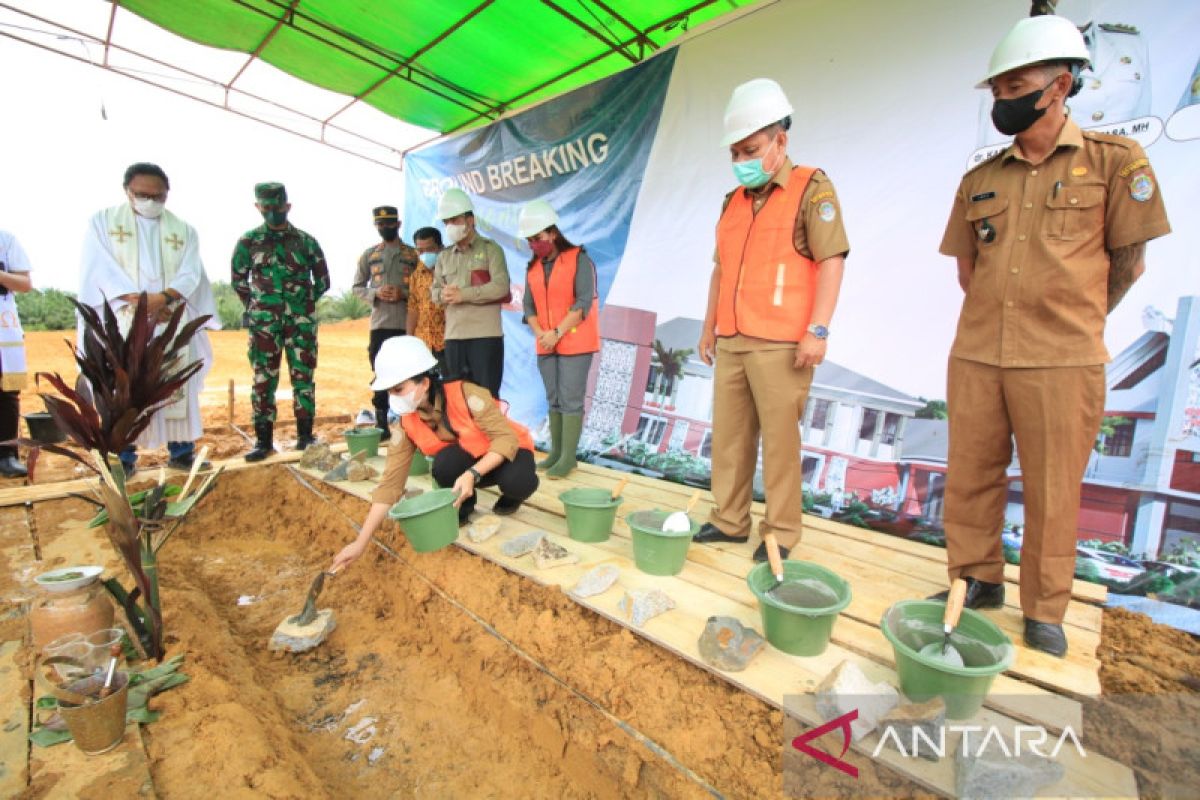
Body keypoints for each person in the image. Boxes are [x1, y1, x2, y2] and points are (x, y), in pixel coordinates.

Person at [937, 15, 1170, 657]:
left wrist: (1072, 314)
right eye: (996, 89)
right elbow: (969, 270)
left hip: (1063, 358)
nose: (1001, 100)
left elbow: (1129, 263)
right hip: (980, 352)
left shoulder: (1115, 163)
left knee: (1051, 488)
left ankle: (1044, 609)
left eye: (1014, 84)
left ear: (1059, 85)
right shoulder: (979, 179)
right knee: (971, 477)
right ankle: (976, 580)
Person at [693, 78, 848, 564]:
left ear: (781, 139)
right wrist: (707, 328)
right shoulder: (731, 202)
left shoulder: (812, 187)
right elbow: (720, 269)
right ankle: (729, 520)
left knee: (780, 444)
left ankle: (780, 532)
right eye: (735, 151)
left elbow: (832, 259)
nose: (742, 159)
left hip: (783, 344)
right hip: (733, 338)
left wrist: (818, 330)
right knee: (731, 438)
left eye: (751, 148)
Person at [329, 336, 538, 571]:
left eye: (399, 389)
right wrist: (360, 542)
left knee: (518, 481)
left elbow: (505, 439)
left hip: (508, 452)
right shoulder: (406, 423)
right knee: (444, 464)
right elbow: (390, 484)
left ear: (425, 383)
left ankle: (512, 497)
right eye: (390, 392)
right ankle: (464, 507)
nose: (394, 398)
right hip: (473, 460)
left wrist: (472, 474)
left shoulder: (467, 394)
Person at [78, 162, 218, 475]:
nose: (151, 202)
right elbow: (99, 268)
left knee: (175, 383)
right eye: (143, 195)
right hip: (124, 318)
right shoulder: (103, 223)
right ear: (127, 191)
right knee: (124, 388)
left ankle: (181, 452)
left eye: (158, 197)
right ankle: (123, 458)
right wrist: (143, 303)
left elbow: (191, 271)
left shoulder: (183, 230)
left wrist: (166, 298)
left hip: (171, 319)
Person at [232, 182, 330, 461]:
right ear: (258, 208)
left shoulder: (305, 241)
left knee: (304, 378)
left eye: (278, 207)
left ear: (288, 206)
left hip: (300, 324)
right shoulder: (248, 242)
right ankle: (263, 441)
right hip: (264, 325)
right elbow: (238, 279)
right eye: (267, 208)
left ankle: (305, 437)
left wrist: (303, 303)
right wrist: (258, 306)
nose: (273, 212)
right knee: (263, 379)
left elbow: (323, 280)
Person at [518, 200, 598, 480]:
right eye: (529, 240)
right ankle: (556, 452)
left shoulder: (579, 259)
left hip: (574, 342)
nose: (533, 244)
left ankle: (568, 457)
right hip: (545, 343)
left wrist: (557, 333)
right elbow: (528, 307)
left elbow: (583, 301)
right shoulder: (533, 268)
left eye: (537, 238)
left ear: (552, 233)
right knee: (553, 399)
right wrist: (542, 334)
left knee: (571, 400)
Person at [431, 188, 510, 398]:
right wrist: (444, 295)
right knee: (458, 400)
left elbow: (501, 287)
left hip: (485, 336)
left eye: (454, 220)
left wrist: (463, 295)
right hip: (454, 337)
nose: (450, 226)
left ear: (470, 219)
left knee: (487, 401)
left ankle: (488, 434)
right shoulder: (444, 256)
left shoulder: (491, 249)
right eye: (446, 222)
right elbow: (434, 292)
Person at [352, 205, 419, 441]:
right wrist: (375, 293)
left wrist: (403, 293)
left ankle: (409, 424)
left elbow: (424, 289)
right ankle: (382, 423)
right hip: (380, 325)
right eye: (380, 224)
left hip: (406, 324)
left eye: (389, 224)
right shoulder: (369, 255)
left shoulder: (413, 255)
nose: (385, 228)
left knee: (410, 373)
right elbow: (357, 287)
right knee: (380, 373)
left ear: (398, 224)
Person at [0, 229, 33, 478]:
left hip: (2, 327)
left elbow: (24, 284)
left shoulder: (6, 240)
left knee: (6, 392)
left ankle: (7, 455)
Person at [407, 226, 446, 369]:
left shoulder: (451, 271)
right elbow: (412, 309)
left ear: (440, 248)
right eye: (420, 251)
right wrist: (409, 340)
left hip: (447, 342)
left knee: (450, 387)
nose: (424, 254)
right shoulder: (416, 275)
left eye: (429, 249)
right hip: (422, 344)